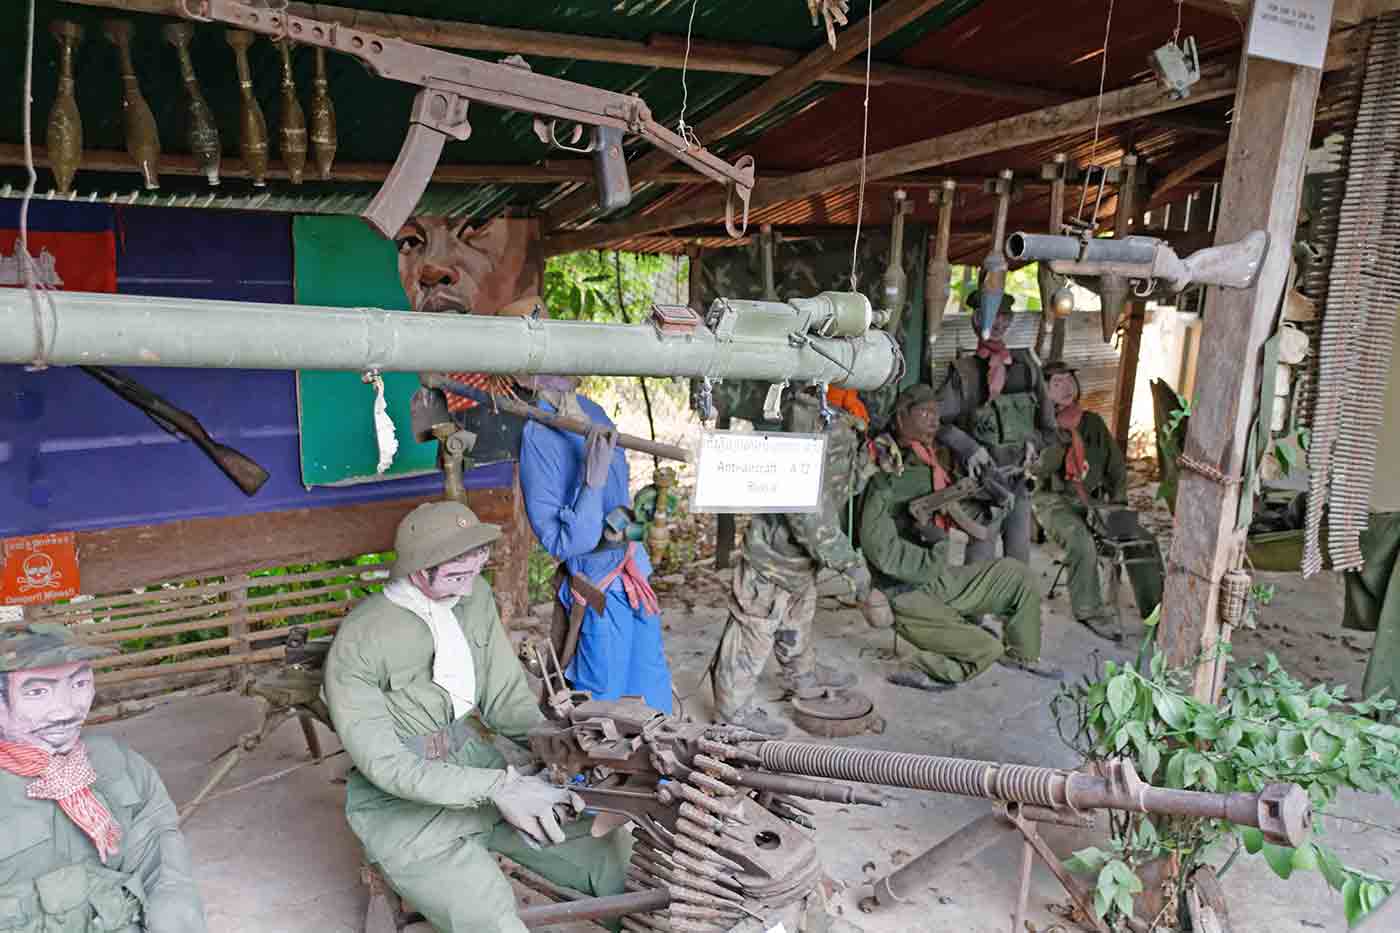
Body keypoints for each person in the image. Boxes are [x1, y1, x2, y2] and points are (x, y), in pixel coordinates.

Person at [323, 501, 630, 933]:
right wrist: (501, 788)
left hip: (476, 760)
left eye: (475, 571)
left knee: (614, 859)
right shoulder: (362, 639)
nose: (467, 590)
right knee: (490, 920)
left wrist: (562, 746)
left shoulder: (475, 598)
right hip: (403, 809)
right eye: (454, 577)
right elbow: (386, 767)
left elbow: (505, 699)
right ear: (417, 571)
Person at [0, 624, 206, 932]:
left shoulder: (118, 763)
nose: (67, 709)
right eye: (38, 691)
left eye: (80, 683)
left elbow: (159, 855)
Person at [860, 385, 1060, 689]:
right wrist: (937, 547)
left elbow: (960, 513)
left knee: (1019, 576)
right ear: (901, 417)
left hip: (937, 579)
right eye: (924, 413)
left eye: (936, 415)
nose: (933, 421)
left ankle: (1023, 655)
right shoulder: (884, 470)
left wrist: (989, 499)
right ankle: (919, 666)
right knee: (987, 650)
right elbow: (880, 551)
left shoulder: (928, 462)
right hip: (903, 593)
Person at [712, 386, 873, 737]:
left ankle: (803, 676)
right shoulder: (806, 415)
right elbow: (805, 510)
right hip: (772, 556)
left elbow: (836, 485)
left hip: (801, 557)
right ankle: (732, 712)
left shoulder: (844, 412)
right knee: (754, 631)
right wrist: (849, 563)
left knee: (797, 617)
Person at [519, 383, 673, 713]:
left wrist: (637, 516)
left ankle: (658, 763)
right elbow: (569, 543)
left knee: (650, 684)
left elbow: (621, 509)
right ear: (527, 377)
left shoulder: (593, 412)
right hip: (597, 591)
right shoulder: (539, 434)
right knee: (602, 695)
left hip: (633, 577)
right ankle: (587, 766)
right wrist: (591, 484)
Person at [1033, 363, 1164, 639]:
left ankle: (1157, 612)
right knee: (1081, 543)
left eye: (1069, 380)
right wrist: (1058, 442)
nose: (1067, 387)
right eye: (1057, 383)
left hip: (1096, 502)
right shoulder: (1038, 425)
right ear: (1044, 390)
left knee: (1143, 541)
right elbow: (1036, 471)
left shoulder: (1091, 422)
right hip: (1053, 501)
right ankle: (1090, 611)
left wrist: (1117, 500)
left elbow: (1115, 464)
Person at [934, 294, 1058, 563]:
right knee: (980, 560)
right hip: (982, 486)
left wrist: (1033, 442)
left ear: (1011, 320)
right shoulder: (964, 373)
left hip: (1018, 480)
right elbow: (935, 423)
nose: (998, 323)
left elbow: (1050, 429)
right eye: (990, 316)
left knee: (1018, 559)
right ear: (975, 321)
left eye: (1004, 316)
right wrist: (969, 448)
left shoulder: (1027, 367)